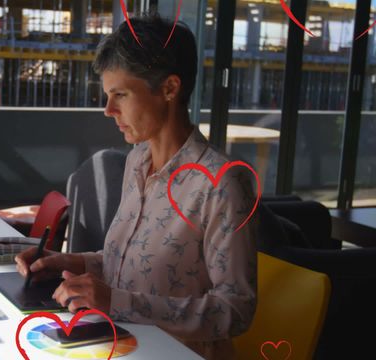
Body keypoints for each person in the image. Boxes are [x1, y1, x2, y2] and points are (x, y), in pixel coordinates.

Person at [15, 13, 257, 360]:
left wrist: (116, 302)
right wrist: (69, 261)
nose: (108, 110)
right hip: (121, 344)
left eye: (121, 95)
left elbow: (236, 310)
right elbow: (135, 263)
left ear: (170, 88)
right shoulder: (137, 161)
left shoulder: (222, 183)